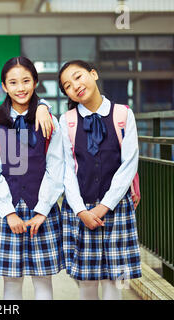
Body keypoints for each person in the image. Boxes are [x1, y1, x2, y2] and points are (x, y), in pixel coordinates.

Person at [0, 56, 65, 300]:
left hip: (43, 209)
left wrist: (42, 210)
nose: (21, 88)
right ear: (4, 87)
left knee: (42, 280)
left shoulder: (49, 121)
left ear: (35, 82)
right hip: (7, 210)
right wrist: (8, 212)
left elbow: (55, 167)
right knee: (12, 282)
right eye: (13, 82)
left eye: (26, 81)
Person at [58, 60, 142, 300]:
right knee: (86, 281)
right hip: (81, 208)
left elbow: (129, 163)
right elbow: (66, 169)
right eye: (67, 85)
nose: (75, 85)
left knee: (114, 281)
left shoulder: (123, 114)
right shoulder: (68, 120)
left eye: (78, 77)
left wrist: (105, 206)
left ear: (93, 74)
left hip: (116, 207)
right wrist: (80, 210)